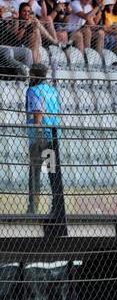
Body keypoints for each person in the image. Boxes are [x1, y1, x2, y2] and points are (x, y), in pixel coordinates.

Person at [24, 64, 62, 216]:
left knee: (35, 173)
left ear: (33, 75)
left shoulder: (32, 91)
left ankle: (33, 208)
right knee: (53, 172)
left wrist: (39, 136)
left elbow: (38, 112)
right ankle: (57, 206)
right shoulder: (53, 91)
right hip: (53, 135)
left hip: (38, 137)